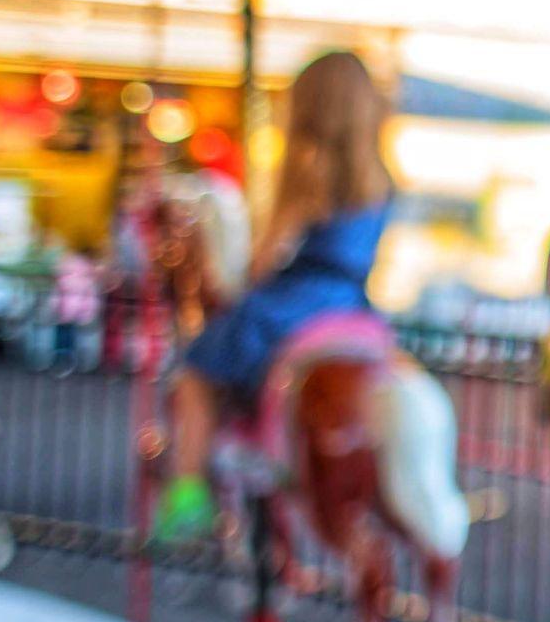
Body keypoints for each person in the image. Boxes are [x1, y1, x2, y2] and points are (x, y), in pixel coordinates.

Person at [153, 51, 394, 541]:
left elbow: (262, 260)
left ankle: (188, 491)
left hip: (294, 304)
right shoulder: (381, 180)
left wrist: (245, 271)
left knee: (198, 371)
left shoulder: (307, 172)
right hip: (353, 309)